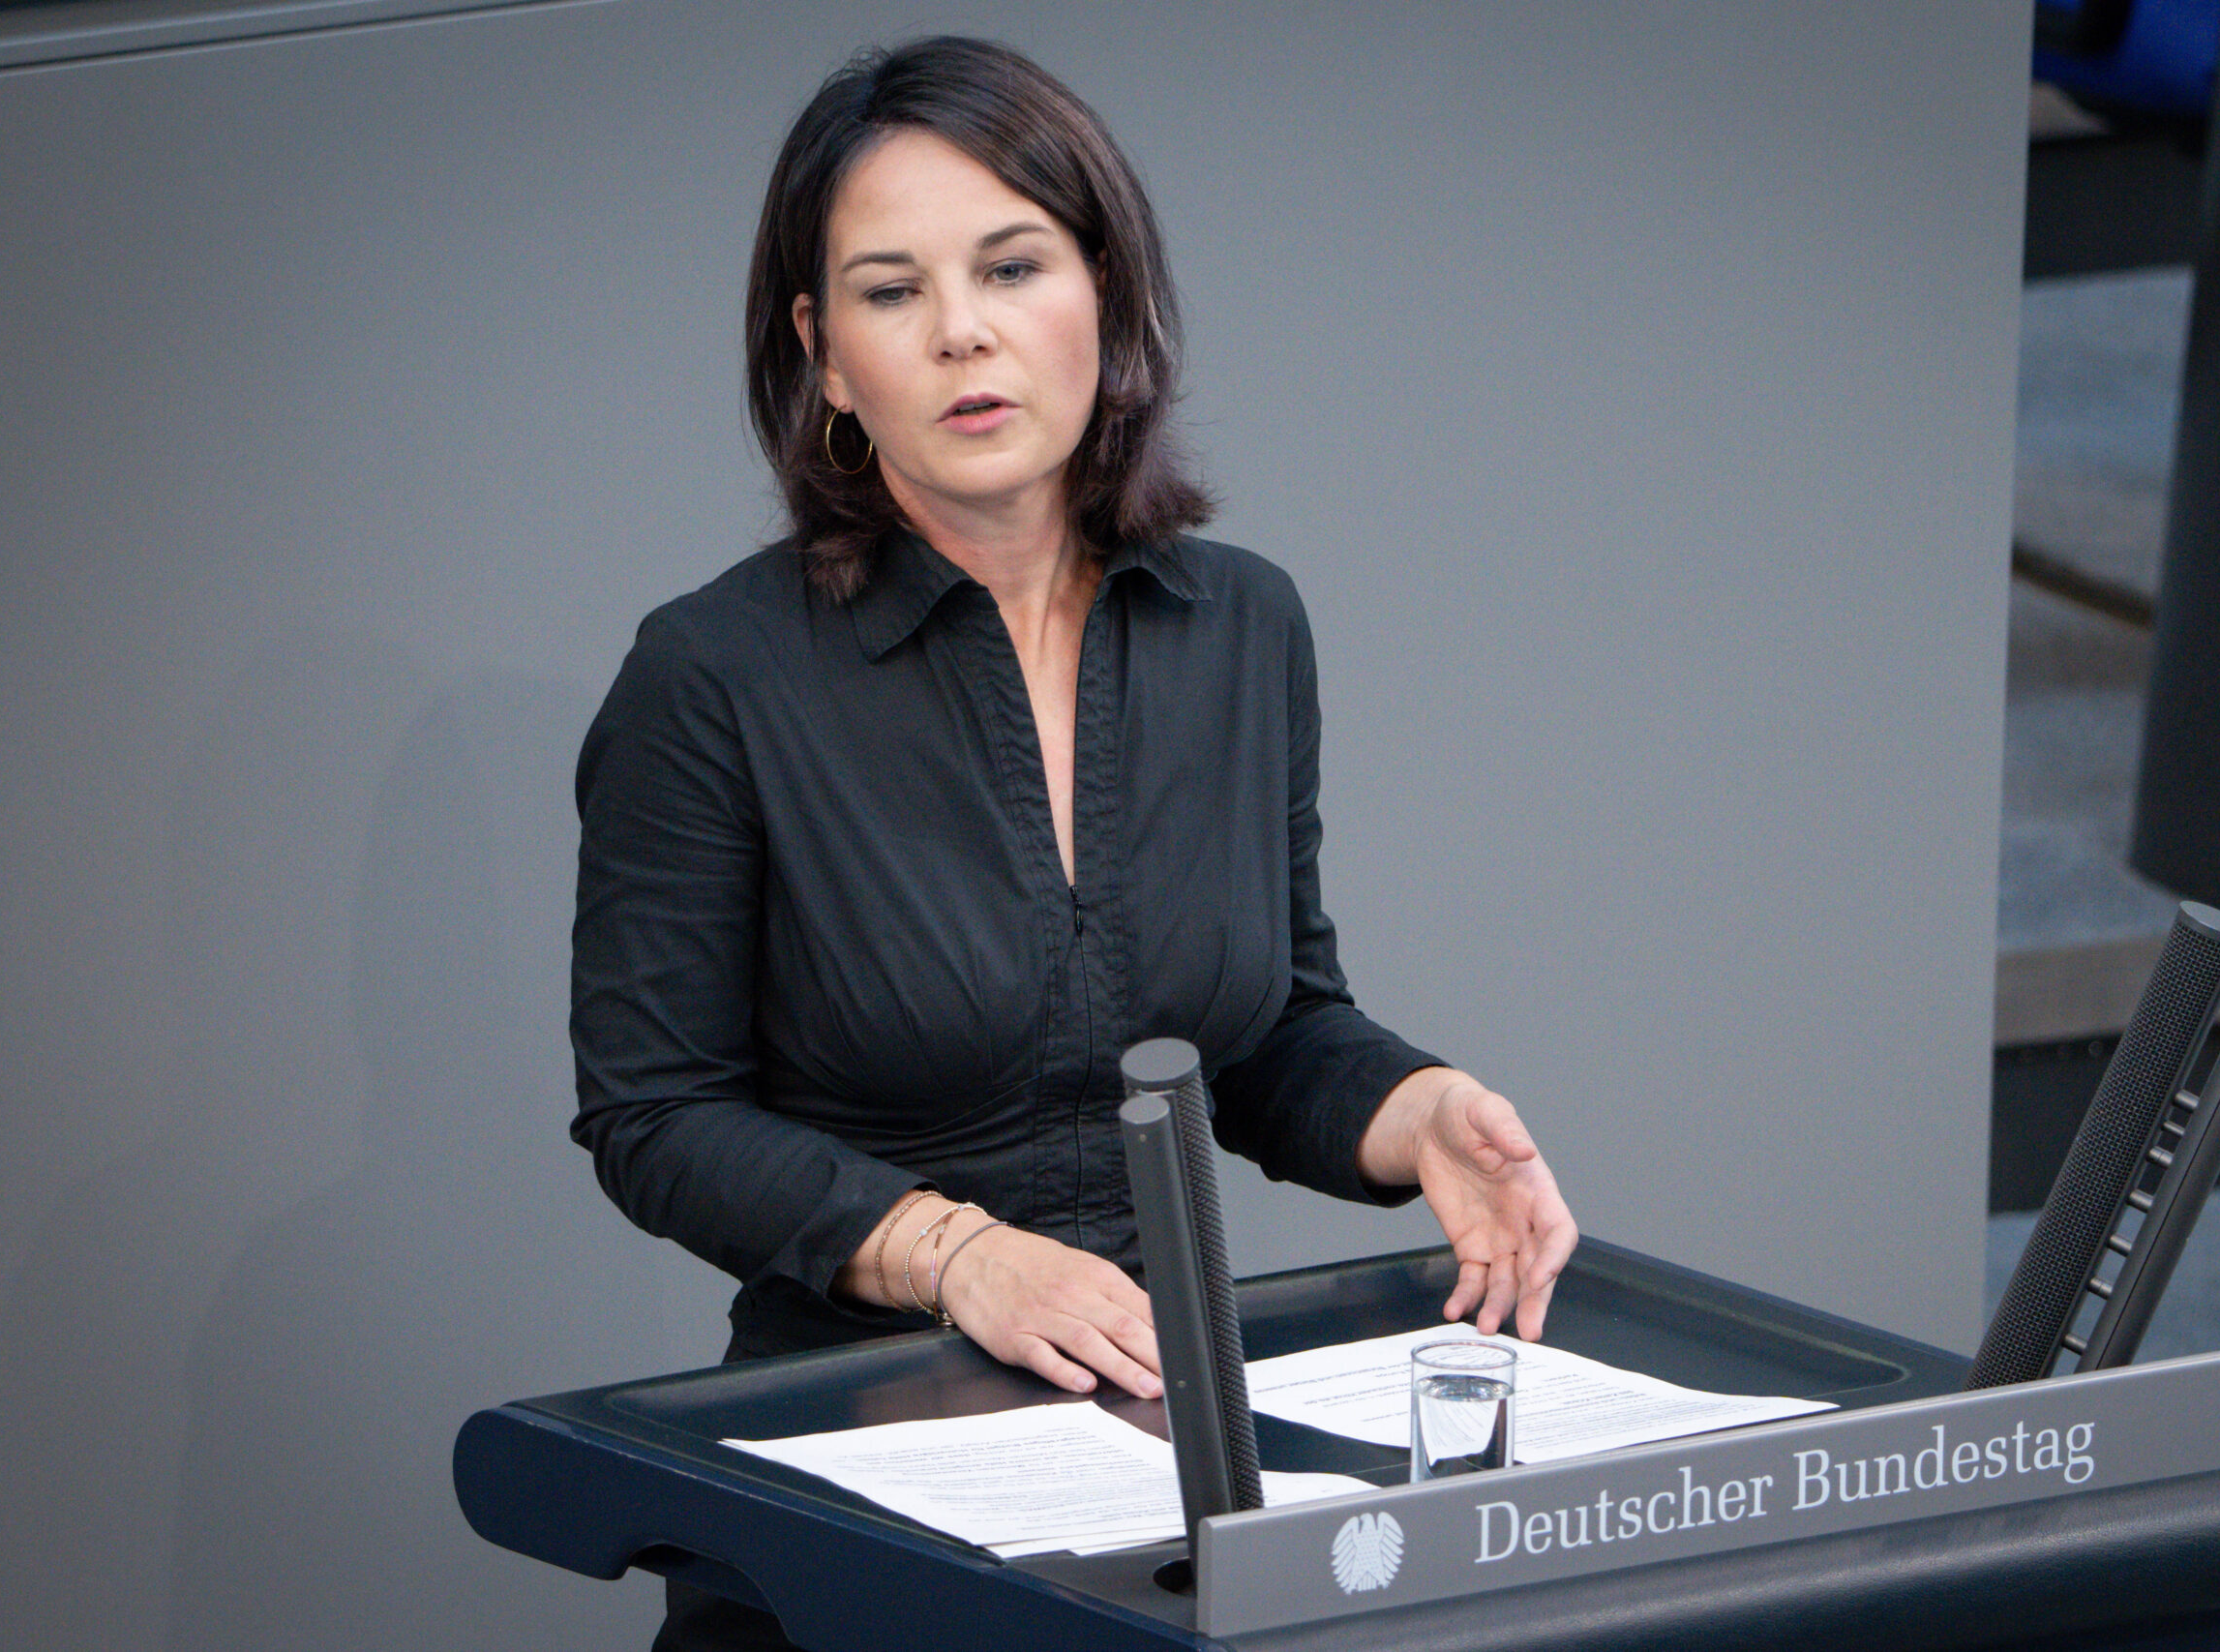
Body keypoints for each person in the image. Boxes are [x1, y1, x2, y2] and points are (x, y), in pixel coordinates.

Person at [569, 36, 1578, 1651]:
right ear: (826, 358)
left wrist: (1421, 1113)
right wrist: (958, 1256)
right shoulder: (711, 676)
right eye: (891, 292)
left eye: (1013, 266)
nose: (961, 331)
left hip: (1168, 1458)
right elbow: (656, 1114)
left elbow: (1265, 1033)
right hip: (855, 1474)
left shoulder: (1240, 624)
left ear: (1105, 293)